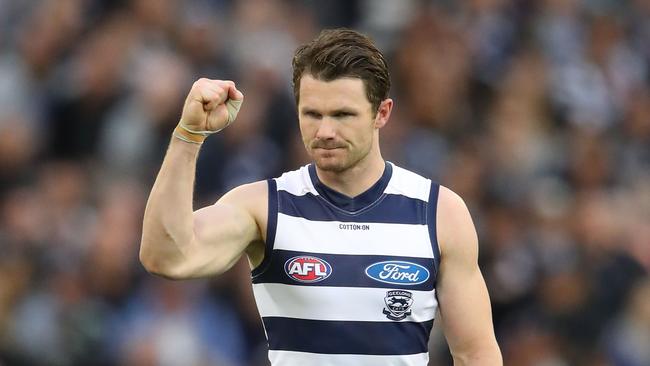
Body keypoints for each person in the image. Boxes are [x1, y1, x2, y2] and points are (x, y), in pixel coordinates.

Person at [140, 28, 502, 365]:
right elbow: (167, 257)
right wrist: (188, 136)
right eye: (312, 114)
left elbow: (476, 355)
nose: (325, 131)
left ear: (382, 113)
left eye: (343, 115)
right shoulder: (265, 208)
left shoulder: (439, 212)